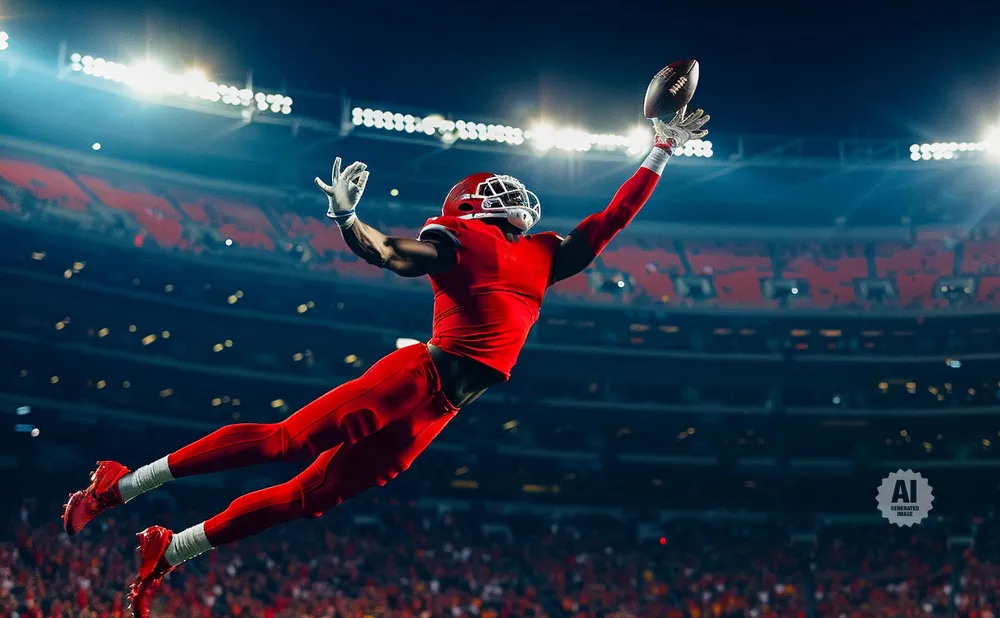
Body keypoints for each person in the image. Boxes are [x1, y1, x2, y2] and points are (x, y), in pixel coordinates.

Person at [61, 108, 709, 618]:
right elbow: (399, 255)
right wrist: (349, 221)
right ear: (472, 206)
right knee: (289, 441)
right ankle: (118, 485)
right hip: (421, 375)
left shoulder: (542, 251)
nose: (513, 194)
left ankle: (169, 550)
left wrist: (660, 149)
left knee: (306, 498)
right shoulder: (466, 237)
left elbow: (610, 220)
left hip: (443, 408)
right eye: (495, 190)